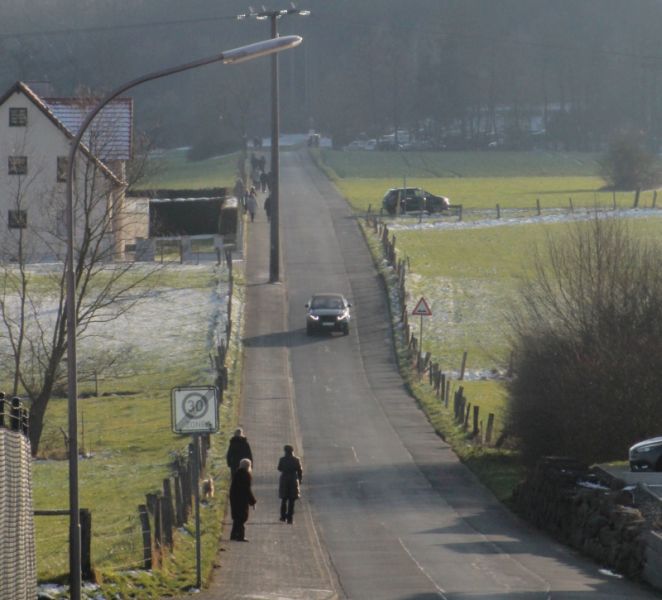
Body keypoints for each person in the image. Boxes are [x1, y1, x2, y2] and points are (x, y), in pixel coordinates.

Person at [229, 458, 256, 541]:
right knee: (242, 517)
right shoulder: (246, 475)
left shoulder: (237, 473)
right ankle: (240, 536)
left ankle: (233, 535)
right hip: (241, 499)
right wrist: (252, 501)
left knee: (237, 517)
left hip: (234, 498)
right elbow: (247, 489)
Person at [277, 444, 303, 524]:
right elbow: (299, 470)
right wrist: (299, 479)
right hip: (293, 479)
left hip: (284, 479)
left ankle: (283, 516)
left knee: (284, 499)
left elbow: (279, 468)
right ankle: (290, 518)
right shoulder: (296, 460)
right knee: (292, 500)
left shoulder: (282, 459)